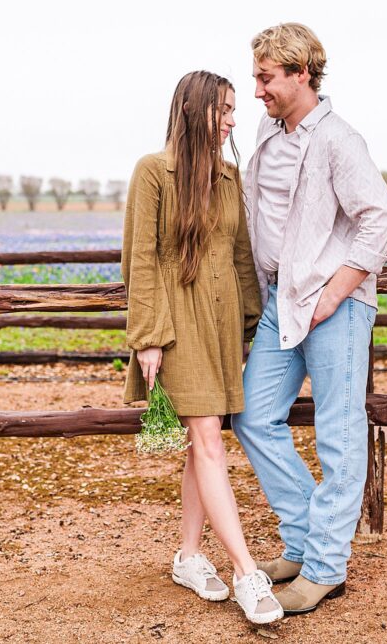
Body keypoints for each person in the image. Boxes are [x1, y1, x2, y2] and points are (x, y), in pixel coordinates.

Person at [232, 23, 387, 616]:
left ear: (302, 73)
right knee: (252, 415)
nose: (257, 90)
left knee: (339, 432)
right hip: (283, 301)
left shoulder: (339, 141)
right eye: (256, 77)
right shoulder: (267, 133)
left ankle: (326, 567)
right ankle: (307, 540)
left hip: (334, 306)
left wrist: (337, 292)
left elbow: (381, 218)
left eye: (266, 77)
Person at [121, 70, 282, 624]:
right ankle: (245, 571)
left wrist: (249, 331)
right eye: (224, 110)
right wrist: (148, 338)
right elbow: (140, 261)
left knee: (201, 441)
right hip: (175, 327)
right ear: (194, 111)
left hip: (219, 329)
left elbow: (242, 260)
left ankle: (189, 556)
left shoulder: (229, 176)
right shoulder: (153, 173)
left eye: (235, 109)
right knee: (210, 440)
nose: (234, 120)